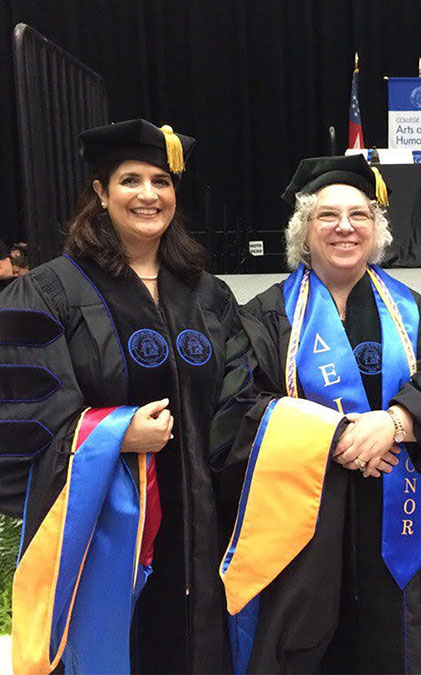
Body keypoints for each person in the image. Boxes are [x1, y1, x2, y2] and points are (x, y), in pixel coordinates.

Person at [211, 154, 421, 674]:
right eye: (326, 215)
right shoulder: (262, 316)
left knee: (396, 649)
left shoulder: (418, 313)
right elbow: (235, 408)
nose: (345, 227)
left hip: (398, 515)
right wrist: (335, 437)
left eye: (361, 215)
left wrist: (395, 423)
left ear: (377, 231)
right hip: (304, 520)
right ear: (303, 233)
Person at [1, 119, 238, 674]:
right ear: (101, 193)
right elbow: (27, 416)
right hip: (103, 536)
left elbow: (238, 399)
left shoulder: (208, 292)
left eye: (162, 180)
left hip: (203, 532)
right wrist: (111, 432)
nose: (149, 195)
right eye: (131, 180)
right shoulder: (49, 291)